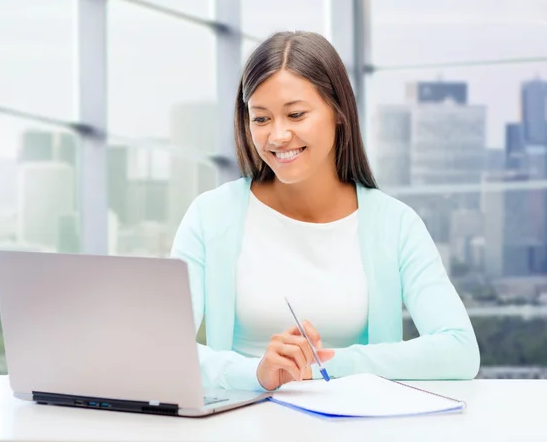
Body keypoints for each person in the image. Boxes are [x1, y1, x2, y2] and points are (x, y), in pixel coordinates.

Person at [171, 31, 480, 392]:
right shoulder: (210, 216)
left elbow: (460, 350)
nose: (278, 136)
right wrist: (257, 373)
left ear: (337, 112)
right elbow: (166, 351)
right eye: (261, 119)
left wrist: (323, 364)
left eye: (296, 114)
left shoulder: (394, 224)